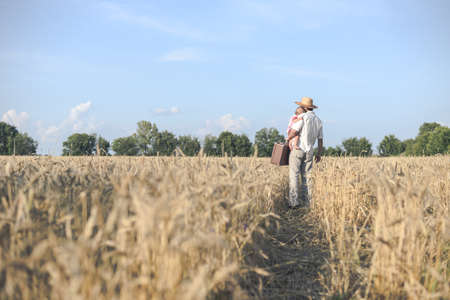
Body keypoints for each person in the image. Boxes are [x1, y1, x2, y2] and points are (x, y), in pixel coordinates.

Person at [286, 97, 323, 208]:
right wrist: (319, 153)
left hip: (298, 149)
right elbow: (320, 140)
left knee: (294, 175)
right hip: (310, 151)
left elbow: (294, 131)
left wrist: (288, 138)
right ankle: (308, 203)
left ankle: (294, 202)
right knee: (307, 176)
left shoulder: (302, 117)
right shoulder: (318, 120)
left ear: (305, 107)